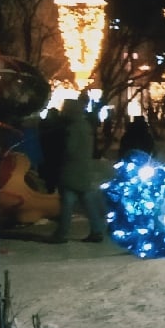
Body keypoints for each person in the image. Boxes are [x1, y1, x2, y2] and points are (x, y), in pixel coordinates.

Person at [49, 100, 108, 244]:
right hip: (83, 169)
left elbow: (70, 150)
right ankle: (96, 231)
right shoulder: (85, 125)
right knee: (88, 201)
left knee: (68, 203)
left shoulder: (73, 128)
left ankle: (62, 233)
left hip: (72, 170)